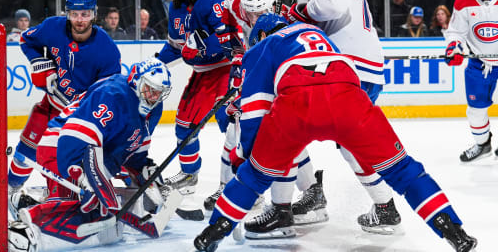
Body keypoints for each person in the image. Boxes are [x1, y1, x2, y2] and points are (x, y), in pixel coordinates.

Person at [193, 14, 478, 252]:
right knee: (404, 169)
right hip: (349, 98)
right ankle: (455, 232)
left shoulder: (263, 46)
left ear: (263, 33)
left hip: (298, 104)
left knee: (254, 176)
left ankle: (212, 234)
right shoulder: (319, 34)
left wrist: (247, 161)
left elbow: (254, 113)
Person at [283, 0, 401, 235]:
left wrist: (298, 12)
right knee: (343, 140)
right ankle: (380, 205)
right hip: (354, 68)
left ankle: (319, 195)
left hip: (351, 69)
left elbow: (330, 8)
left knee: (286, 122)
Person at [7, 58, 172, 251]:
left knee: (98, 210)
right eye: (149, 89)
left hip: (95, 157)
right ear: (136, 81)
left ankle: (27, 201)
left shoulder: (154, 108)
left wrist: (145, 173)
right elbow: (74, 136)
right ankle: (25, 228)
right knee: (75, 208)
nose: (153, 96)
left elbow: (134, 149)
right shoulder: (113, 94)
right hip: (61, 147)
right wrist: (85, 178)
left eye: (159, 93)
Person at [208, 0, 330, 238]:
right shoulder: (244, 11)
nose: (251, 17)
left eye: (256, 12)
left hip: (291, 82)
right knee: (250, 132)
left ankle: (291, 200)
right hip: (276, 77)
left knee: (282, 136)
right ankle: (299, 194)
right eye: (247, 12)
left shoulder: (279, 21)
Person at [7, 0, 122, 196]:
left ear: (94, 14)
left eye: (85, 14)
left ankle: (59, 197)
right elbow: (26, 40)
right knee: (26, 149)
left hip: (81, 119)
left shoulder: (107, 49)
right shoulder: (53, 27)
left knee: (61, 161)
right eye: (74, 14)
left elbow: (109, 92)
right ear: (67, 13)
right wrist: (40, 62)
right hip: (51, 106)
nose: (79, 19)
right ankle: (10, 189)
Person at [155, 0, 237, 199]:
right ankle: (189, 174)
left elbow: (229, 39)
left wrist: (202, 44)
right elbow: (175, 46)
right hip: (202, 75)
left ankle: (240, 185)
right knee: (183, 126)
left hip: (225, 71)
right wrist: (156, 63)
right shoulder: (177, 6)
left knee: (232, 128)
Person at [444, 0, 498, 162]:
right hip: (479, 64)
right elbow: (456, 32)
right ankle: (482, 145)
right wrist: (454, 47)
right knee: (475, 110)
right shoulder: (464, 0)